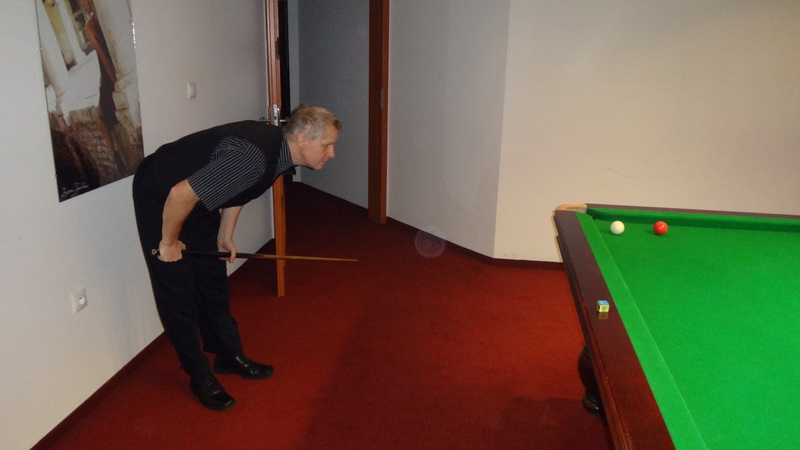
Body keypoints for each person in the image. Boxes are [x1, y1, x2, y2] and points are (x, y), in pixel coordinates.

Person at [132, 106, 341, 411]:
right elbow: (179, 195)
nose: (331, 153)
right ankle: (199, 375)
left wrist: (225, 234)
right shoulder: (255, 155)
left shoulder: (278, 154)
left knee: (213, 278)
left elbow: (238, 188)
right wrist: (168, 243)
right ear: (301, 140)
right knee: (177, 290)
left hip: (195, 198)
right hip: (163, 195)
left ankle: (228, 355)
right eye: (327, 145)